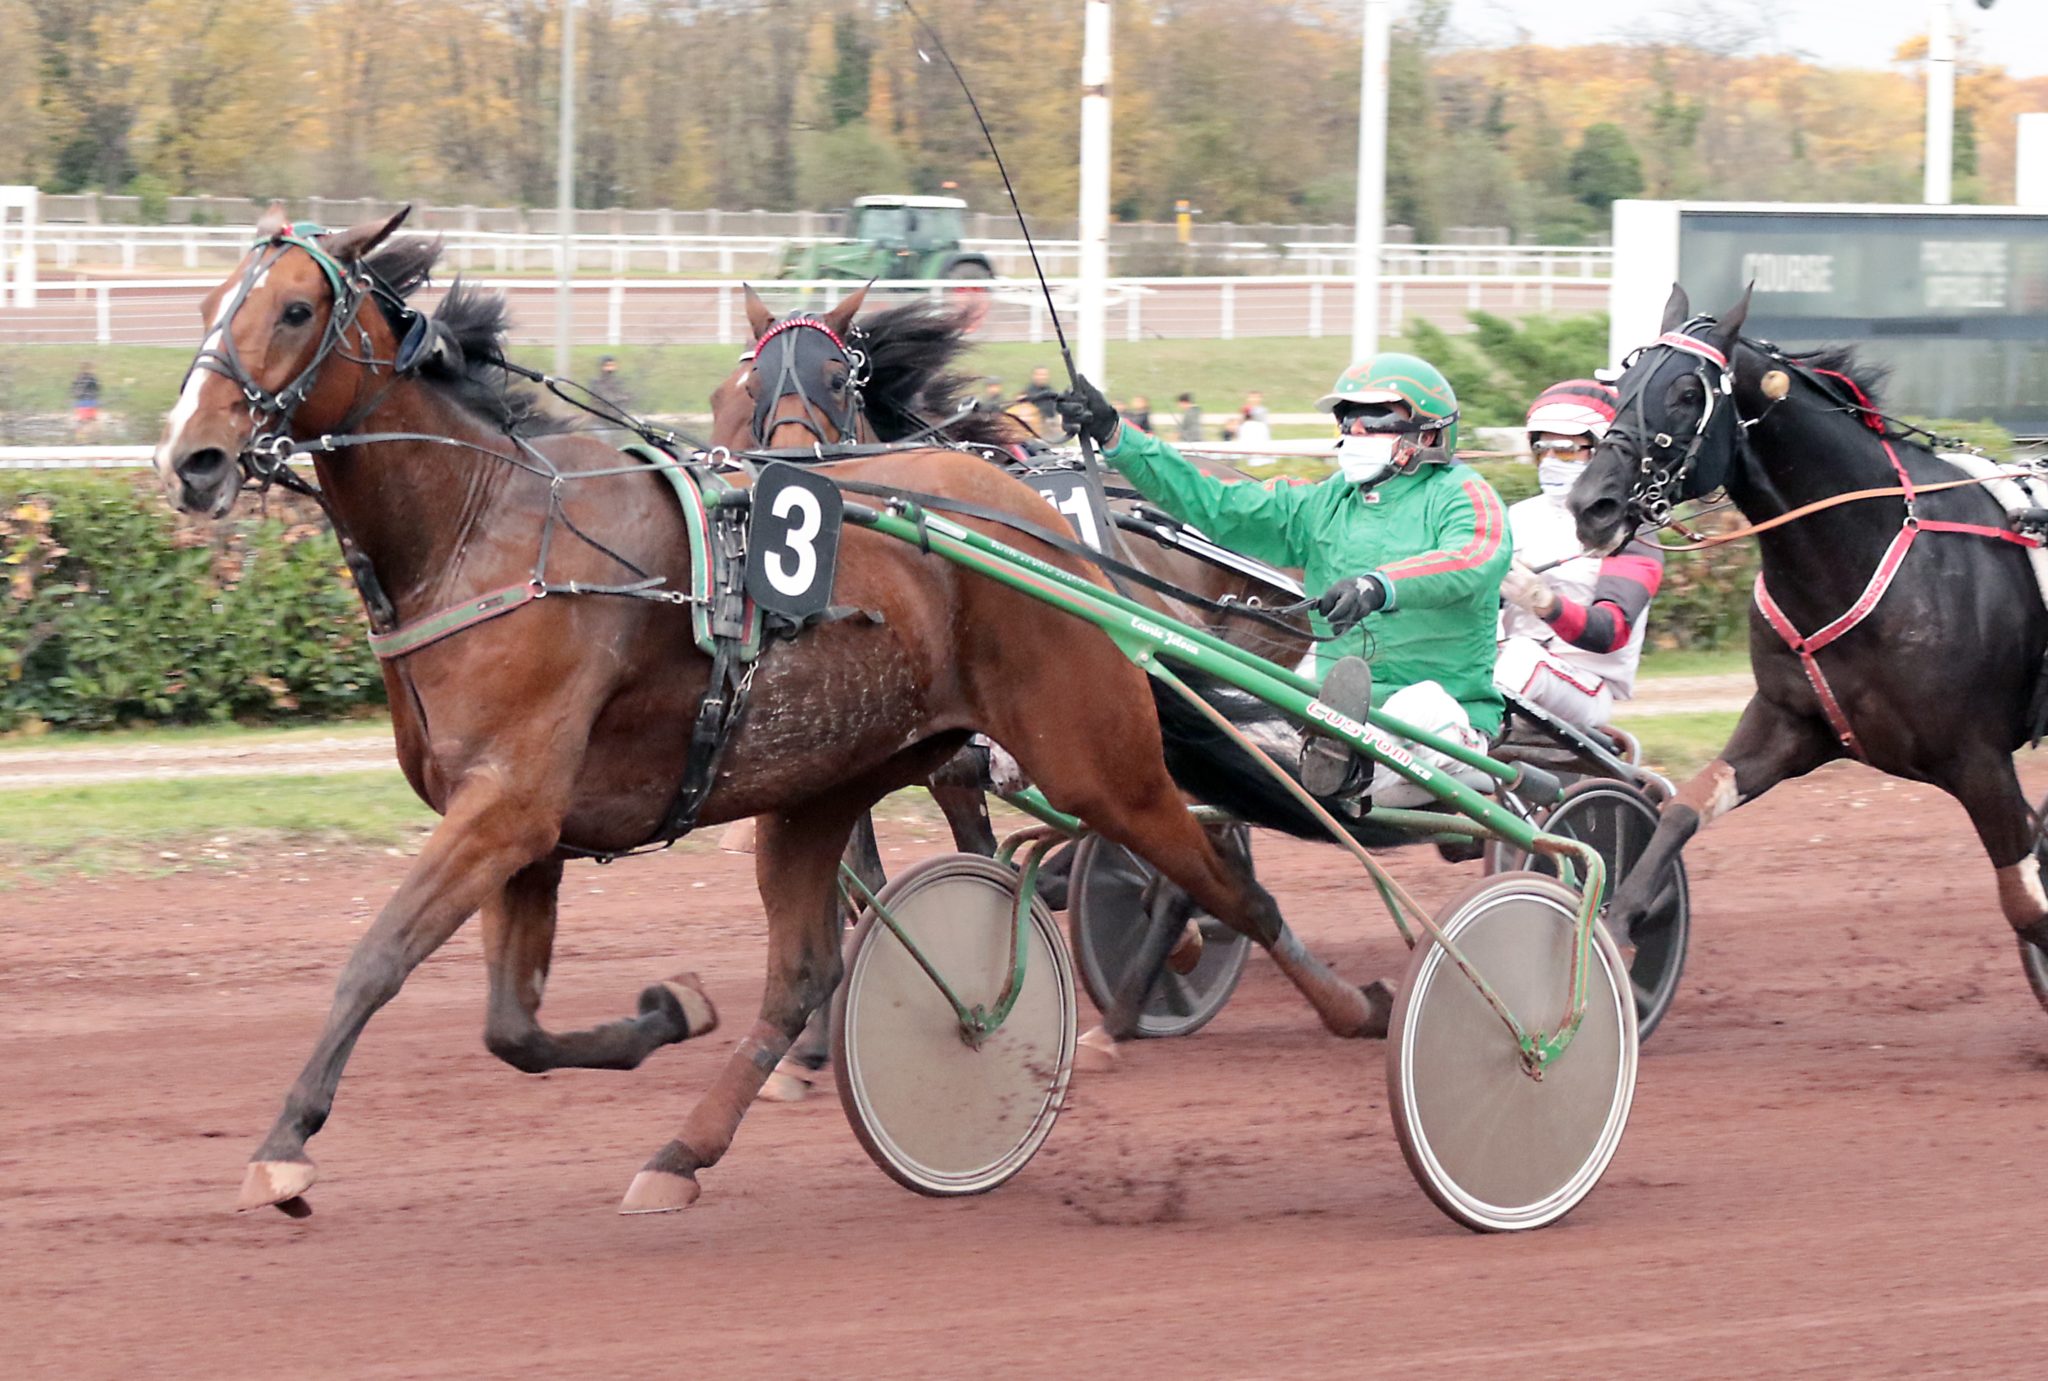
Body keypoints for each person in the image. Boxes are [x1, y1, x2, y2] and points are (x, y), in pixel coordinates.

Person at [1060, 353, 1510, 804]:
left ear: (1427, 434)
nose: (1355, 434)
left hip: (1448, 711)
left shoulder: (1464, 494)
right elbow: (1220, 503)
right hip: (1342, 712)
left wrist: (1378, 586)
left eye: (1373, 422)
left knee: (1421, 706)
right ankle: (1328, 760)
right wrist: (1116, 434)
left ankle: (1348, 765)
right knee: (1219, 726)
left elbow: (1471, 558)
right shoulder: (1326, 502)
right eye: (1347, 421)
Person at [1496, 379, 1663, 730]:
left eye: (1567, 450)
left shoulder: (1632, 529)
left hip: (1585, 686)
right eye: (1543, 449)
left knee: (1524, 658)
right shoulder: (1515, 517)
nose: (1552, 461)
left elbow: (1610, 632)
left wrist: (1543, 601)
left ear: (1603, 451)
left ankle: (1466, 743)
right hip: (1509, 667)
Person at [1021, 366, 1061, 437]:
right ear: (1034, 376)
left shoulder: (1052, 391)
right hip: (1033, 427)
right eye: (1039, 375)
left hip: (1050, 426)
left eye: (1044, 375)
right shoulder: (1026, 393)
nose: (1042, 377)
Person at [70, 361, 102, 441]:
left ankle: (80, 437)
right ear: (91, 369)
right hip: (92, 401)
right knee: (92, 419)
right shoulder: (93, 377)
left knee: (82, 420)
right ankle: (94, 437)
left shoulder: (78, 377)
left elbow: (73, 388)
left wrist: (76, 395)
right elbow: (98, 388)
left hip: (81, 402)